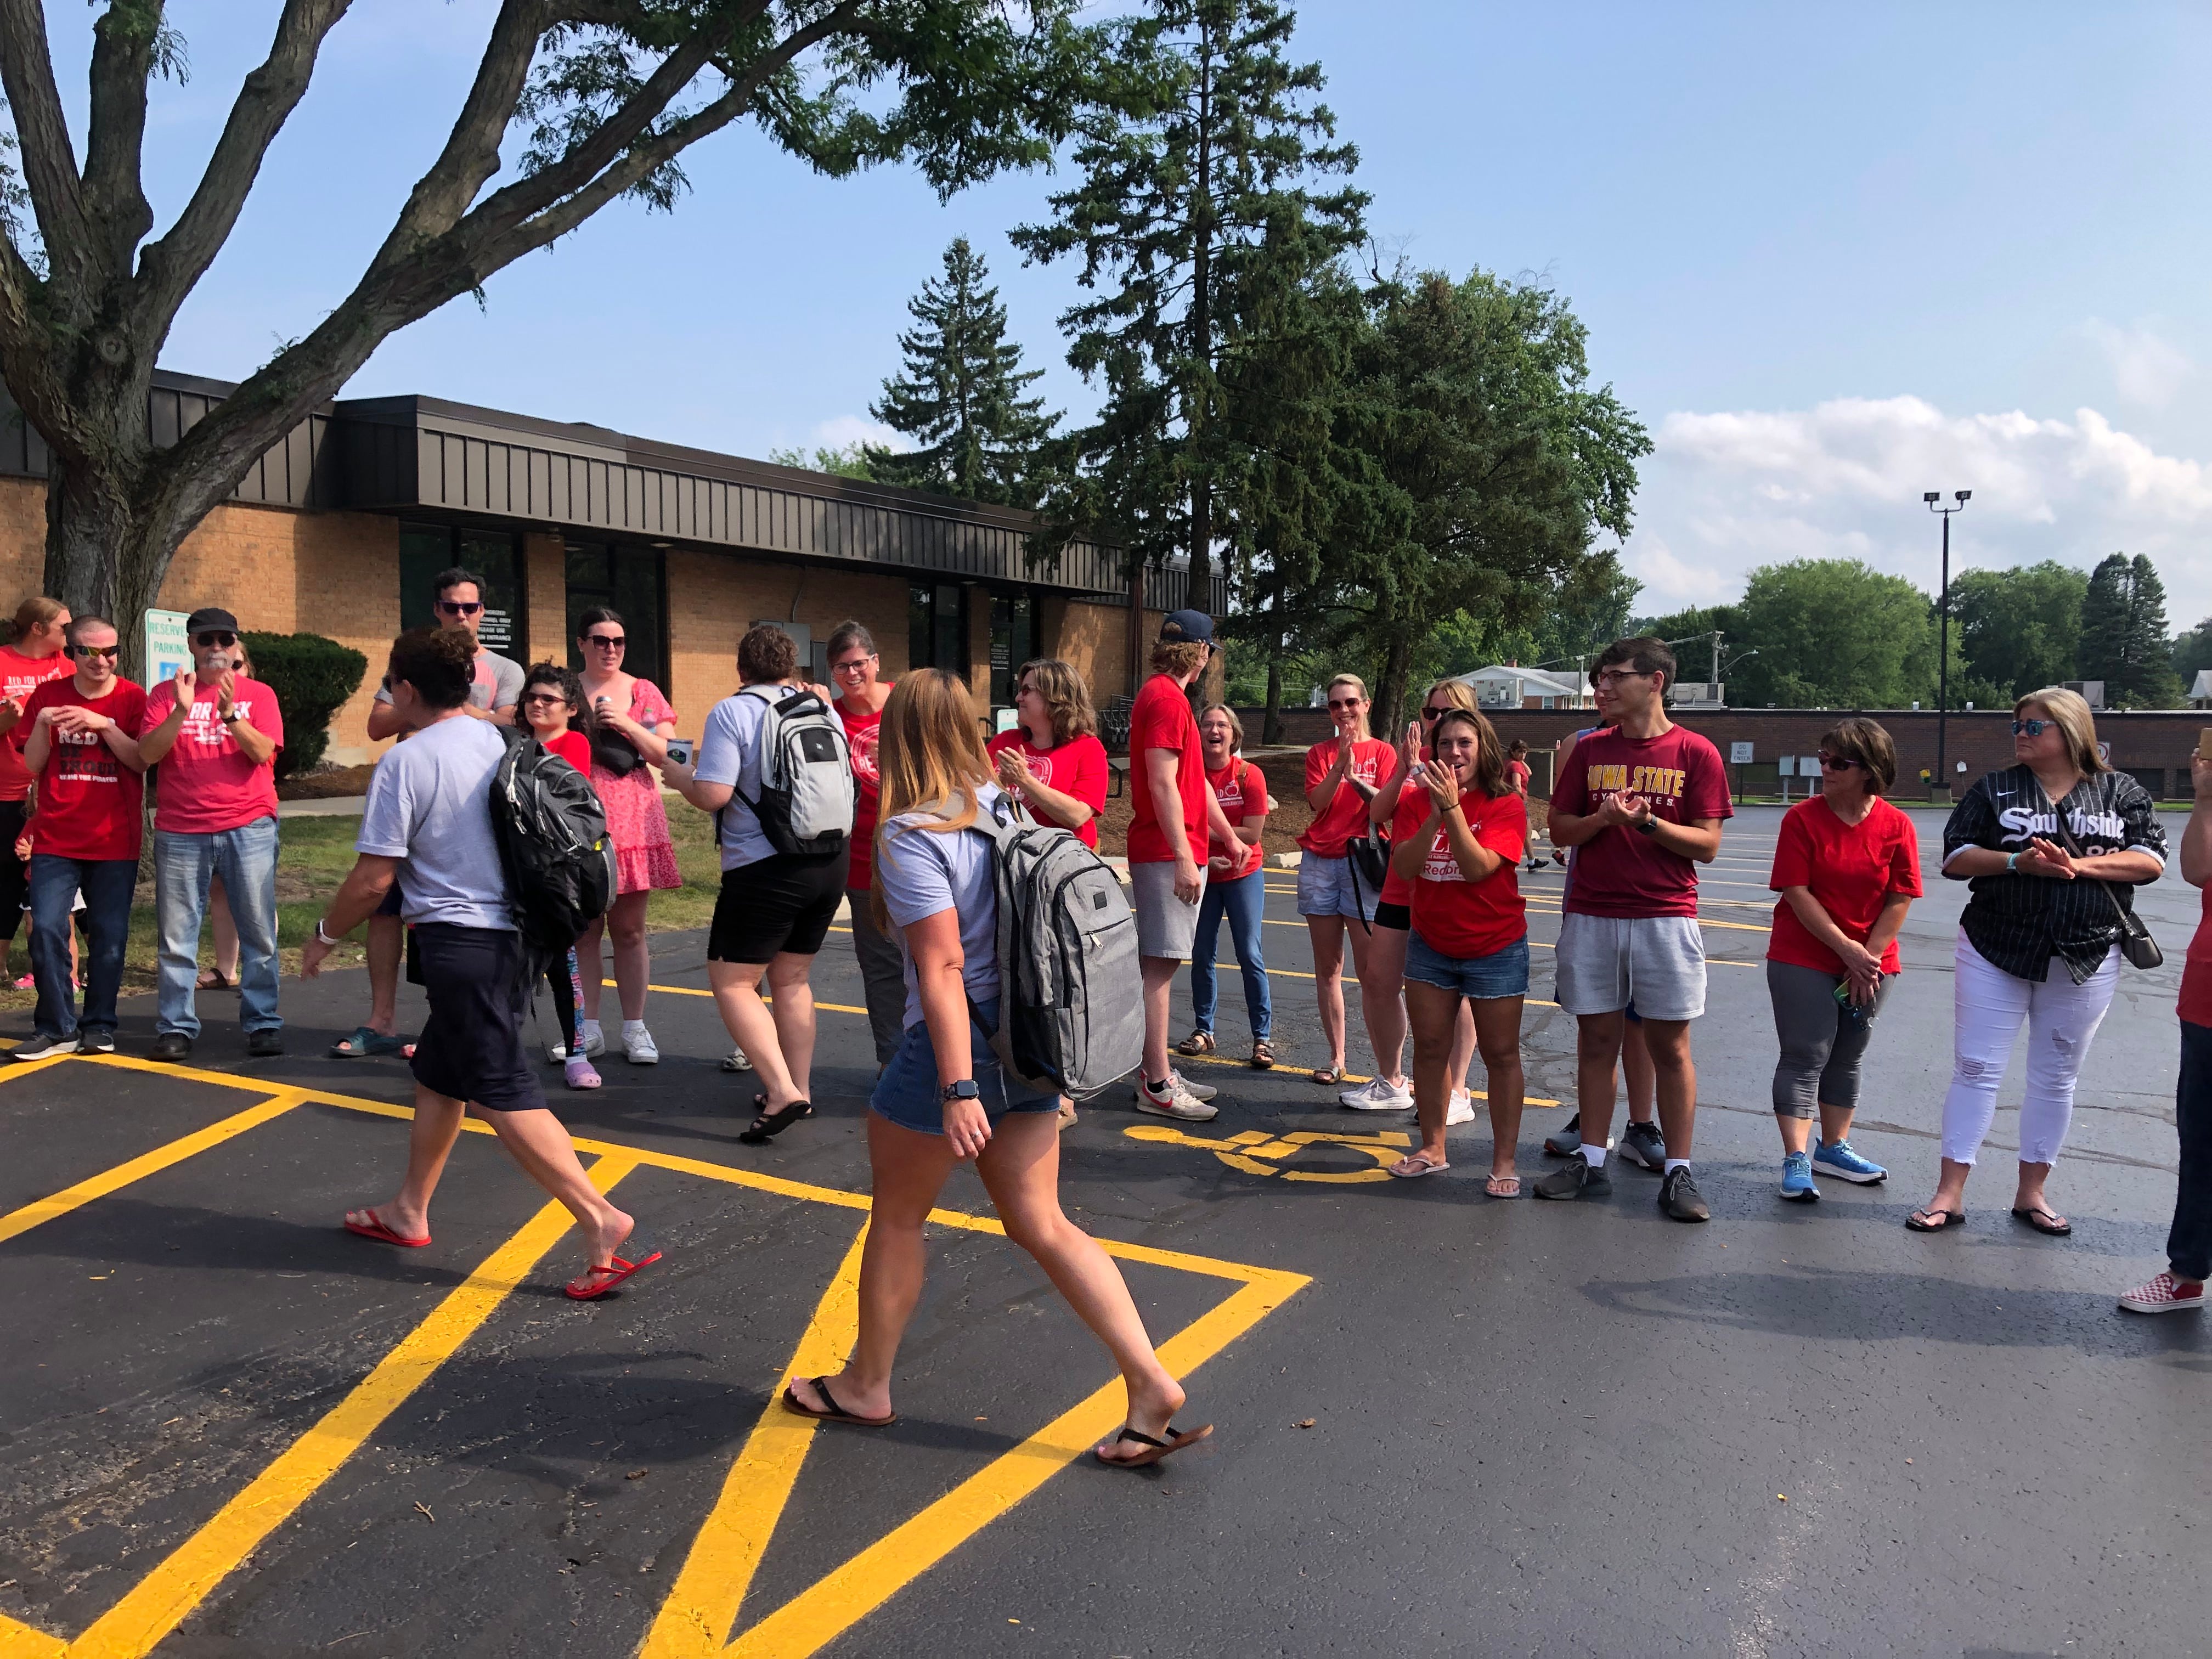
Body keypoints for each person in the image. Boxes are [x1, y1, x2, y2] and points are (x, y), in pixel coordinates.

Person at [779, 670, 1209, 1469]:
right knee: (1043, 1221)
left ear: (902, 736)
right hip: (1035, 1036)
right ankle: (1150, 1380)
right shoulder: (1006, 806)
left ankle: (867, 1384)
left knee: (900, 1216)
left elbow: (941, 969)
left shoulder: (914, 833)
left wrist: (956, 1086)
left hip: (963, 1047)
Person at [302, 628, 654, 1296]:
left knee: (501, 1089)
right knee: (441, 1072)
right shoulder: (503, 742)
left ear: (406, 690)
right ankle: (409, 1210)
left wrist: (324, 934)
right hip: (516, 936)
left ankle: (599, 1215)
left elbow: (376, 879)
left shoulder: (407, 762)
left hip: (463, 944)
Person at [1909, 688, 2164, 1237]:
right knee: (1976, 1068)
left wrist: (2075, 866)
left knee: (2056, 1078)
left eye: (2033, 727)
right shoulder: (1996, 788)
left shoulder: (2119, 791)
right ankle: (1948, 1193)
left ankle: (2032, 1193)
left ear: (2071, 732)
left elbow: (2150, 859)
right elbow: (1955, 856)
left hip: (2087, 951)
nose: (2021, 736)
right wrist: (2016, 862)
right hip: (1995, 945)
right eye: (2017, 727)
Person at [1533, 638, 1730, 1222]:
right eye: (1600, 677)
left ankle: (1678, 1172)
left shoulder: (1696, 753)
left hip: (1665, 918)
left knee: (1670, 1048)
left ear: (1656, 682)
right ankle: (1592, 1162)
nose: (1603, 688)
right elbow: (1560, 830)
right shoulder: (1590, 751)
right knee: (1596, 1043)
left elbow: (1709, 845)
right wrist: (1603, 817)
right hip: (1593, 914)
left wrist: (1647, 822)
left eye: (1616, 677)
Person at [661, 623, 844, 1143]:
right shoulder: (818, 707)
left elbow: (714, 794)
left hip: (765, 866)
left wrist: (678, 778)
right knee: (792, 981)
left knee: (734, 982)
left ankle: (782, 1090)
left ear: (741, 669)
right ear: (791, 668)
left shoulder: (732, 711)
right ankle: (799, 1089)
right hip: (826, 860)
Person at [335, 568, 523, 1060]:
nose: (461, 616)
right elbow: (378, 726)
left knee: (454, 916)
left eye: (470, 608)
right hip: (410, 800)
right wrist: (428, 693)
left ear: (483, 612)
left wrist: (445, 704)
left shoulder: (505, 670)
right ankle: (383, 1020)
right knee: (384, 909)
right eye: (451, 607)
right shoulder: (413, 668)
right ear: (437, 610)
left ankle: (447, 1028)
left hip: (460, 807)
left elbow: (514, 723)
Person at [1764, 718, 1920, 1202]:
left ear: (1870, 770)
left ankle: (1833, 1149)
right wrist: (1846, 950)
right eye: (1823, 759)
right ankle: (1796, 1157)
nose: (1826, 768)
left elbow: (1900, 896)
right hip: (1804, 952)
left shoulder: (1897, 825)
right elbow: (1797, 891)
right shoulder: (1803, 819)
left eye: (1838, 763)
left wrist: (1867, 958)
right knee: (1805, 1055)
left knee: (1848, 1056)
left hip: (1873, 961)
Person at [1385, 707, 1530, 1195]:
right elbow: (1405, 869)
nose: (1454, 752)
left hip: (1495, 946)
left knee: (1501, 1054)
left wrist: (1452, 811)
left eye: (1464, 743)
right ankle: (1432, 1148)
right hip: (1431, 944)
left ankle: (1505, 1161)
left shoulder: (1505, 803)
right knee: (1429, 1049)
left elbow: (1475, 868)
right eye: (1445, 743)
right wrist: (1431, 813)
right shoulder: (1414, 802)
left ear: (1482, 748)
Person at [137, 607, 286, 1061]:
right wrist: (181, 712)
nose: (217, 648)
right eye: (207, 640)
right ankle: (177, 1026)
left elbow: (263, 752)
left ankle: (263, 1022)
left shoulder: (259, 694)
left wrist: (231, 716)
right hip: (182, 830)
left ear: (237, 644)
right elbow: (146, 754)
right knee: (178, 936)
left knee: (258, 931)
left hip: (249, 825)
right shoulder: (166, 695)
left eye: (226, 639)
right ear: (192, 645)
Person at [10, 616, 149, 1059]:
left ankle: (100, 1024)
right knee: (47, 928)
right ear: (72, 653)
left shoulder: (132, 698)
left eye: (111, 652)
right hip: (56, 837)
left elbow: (141, 761)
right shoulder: (48, 696)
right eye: (91, 651)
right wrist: (41, 724)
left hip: (113, 838)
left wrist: (103, 723)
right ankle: (56, 1027)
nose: (102, 660)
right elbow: (32, 764)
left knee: (108, 937)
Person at [1126, 611, 1239, 1122]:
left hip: (1172, 847)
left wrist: (1229, 836)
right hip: (1163, 850)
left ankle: (1160, 1071)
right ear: (1202, 653)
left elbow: (1195, 784)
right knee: (1161, 967)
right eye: (1209, 650)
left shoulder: (1165, 697)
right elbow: (1161, 784)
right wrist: (1182, 857)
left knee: (1162, 965)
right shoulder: (1169, 700)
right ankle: (1155, 1082)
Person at [1365, 680, 1484, 1126]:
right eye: (1431, 713)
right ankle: (1392, 1081)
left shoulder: (1475, 767)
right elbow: (1377, 814)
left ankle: (1456, 1091)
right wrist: (1406, 768)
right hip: (1402, 885)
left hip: (1448, 889)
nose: (1437, 721)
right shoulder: (1418, 766)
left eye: (1449, 713)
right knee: (1379, 981)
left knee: (1455, 994)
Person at [568, 605, 678, 1065]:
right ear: (582, 643)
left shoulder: (643, 690)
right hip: (578, 815)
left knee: (630, 931)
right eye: (600, 640)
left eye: (618, 641)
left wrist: (627, 724)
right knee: (585, 932)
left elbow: (674, 756)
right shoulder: (567, 689)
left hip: (634, 814)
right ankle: (587, 1029)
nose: (609, 649)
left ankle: (635, 1028)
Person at [2124, 747, 2212, 1313]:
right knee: (2202, 1141)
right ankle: (2186, 1275)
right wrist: (2204, 797)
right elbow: (2199, 871)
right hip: (2208, 994)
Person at [1296, 673, 1403, 1102]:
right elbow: (1319, 802)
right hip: (1321, 862)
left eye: (1351, 703)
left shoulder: (1384, 752)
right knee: (1328, 970)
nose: (1343, 712)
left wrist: (1356, 773)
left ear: (1366, 704)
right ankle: (1337, 1058)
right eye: (1335, 705)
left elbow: (1390, 805)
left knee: (1374, 973)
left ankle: (1387, 1072)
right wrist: (1339, 764)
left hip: (1365, 864)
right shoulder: (1319, 753)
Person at [520, 663, 603, 1091]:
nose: (537, 703)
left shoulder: (574, 744)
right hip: (517, 869)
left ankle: (577, 1054)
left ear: (571, 708)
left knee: (562, 964)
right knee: (508, 962)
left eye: (548, 699)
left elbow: (557, 800)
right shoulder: (513, 744)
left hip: (558, 875)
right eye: (532, 696)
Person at [1177, 704, 1273, 1069]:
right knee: (1201, 954)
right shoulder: (1189, 774)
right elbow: (1181, 823)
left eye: (1222, 725)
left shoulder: (1249, 775)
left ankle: (1261, 1038)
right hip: (1203, 872)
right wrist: (1207, 850)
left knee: (1249, 953)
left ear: (1234, 734)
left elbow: (1254, 832)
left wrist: (1208, 833)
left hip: (1243, 873)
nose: (1214, 731)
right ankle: (1204, 1030)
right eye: (1207, 724)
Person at [827, 620, 902, 1067]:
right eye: (842, 667)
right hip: (858, 857)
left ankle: (937, 1063)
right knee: (880, 968)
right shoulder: (830, 714)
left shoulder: (905, 704)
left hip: (913, 852)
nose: (853, 674)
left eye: (859, 664)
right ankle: (893, 1064)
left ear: (876, 662)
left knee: (930, 965)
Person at [0, 596, 74, 984]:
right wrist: (5, 720)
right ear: (38, 629)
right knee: (8, 875)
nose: (70, 633)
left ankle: (73, 966)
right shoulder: (2, 662)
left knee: (63, 876)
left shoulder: (69, 668)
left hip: (55, 792)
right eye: (64, 626)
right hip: (7, 790)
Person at [986, 658, 1111, 849]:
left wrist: (1024, 780)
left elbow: (1076, 816)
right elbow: (974, 797)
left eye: (1027, 690)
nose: (1019, 698)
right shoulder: (1004, 741)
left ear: (1056, 697)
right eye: (1020, 690)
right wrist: (1000, 783)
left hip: (1060, 864)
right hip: (1004, 858)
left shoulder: (1088, 749)